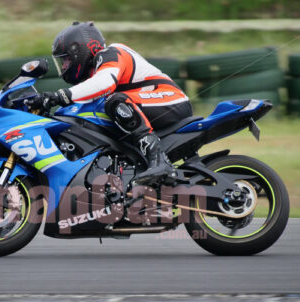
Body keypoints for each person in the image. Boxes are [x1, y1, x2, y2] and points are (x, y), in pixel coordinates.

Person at [27, 21, 193, 185]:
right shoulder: (95, 73)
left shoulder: (111, 53)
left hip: (171, 99)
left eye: (67, 60)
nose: (64, 67)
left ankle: (158, 160)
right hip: (146, 105)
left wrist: (59, 95)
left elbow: (105, 83)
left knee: (115, 101)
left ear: (82, 51)